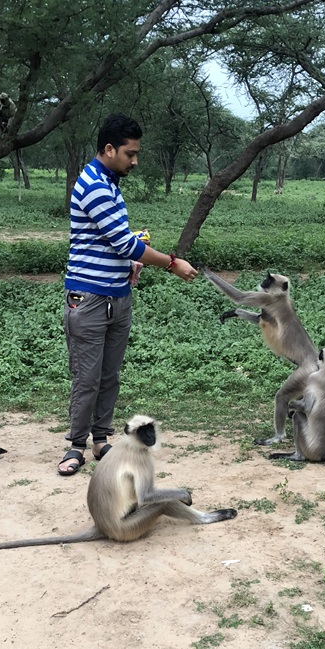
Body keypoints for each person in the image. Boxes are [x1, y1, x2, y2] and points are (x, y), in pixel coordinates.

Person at [58, 113, 198, 476]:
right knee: (87, 377)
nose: (134, 161)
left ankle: (100, 439)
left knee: (109, 376)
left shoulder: (108, 182)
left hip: (117, 297)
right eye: (130, 154)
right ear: (109, 149)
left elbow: (114, 241)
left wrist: (131, 252)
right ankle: (75, 446)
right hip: (89, 299)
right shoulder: (94, 185)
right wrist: (171, 263)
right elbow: (123, 244)